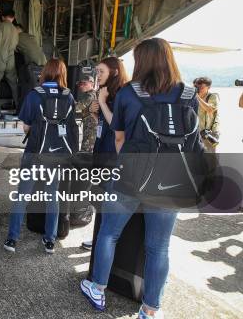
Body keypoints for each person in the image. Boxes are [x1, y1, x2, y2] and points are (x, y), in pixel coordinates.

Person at [81, 38, 196, 319]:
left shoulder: (130, 94)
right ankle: (150, 307)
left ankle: (97, 288)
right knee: (159, 247)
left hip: (129, 178)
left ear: (141, 61)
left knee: (110, 233)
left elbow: (119, 137)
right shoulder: (188, 93)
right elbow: (193, 140)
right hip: (170, 180)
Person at [4, 59, 78, 254]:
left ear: (45, 73)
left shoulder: (35, 95)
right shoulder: (68, 97)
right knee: (52, 195)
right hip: (56, 156)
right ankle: (50, 240)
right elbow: (71, 127)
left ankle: (12, 239)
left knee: (22, 195)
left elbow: (26, 126)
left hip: (34, 154)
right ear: (62, 73)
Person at [81, 57, 128, 251]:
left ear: (115, 72)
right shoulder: (105, 93)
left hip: (112, 158)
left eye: (101, 72)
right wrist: (94, 112)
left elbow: (118, 127)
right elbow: (103, 122)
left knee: (109, 204)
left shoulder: (121, 95)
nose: (97, 75)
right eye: (97, 72)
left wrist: (101, 101)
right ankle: (99, 238)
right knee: (99, 201)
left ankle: (107, 242)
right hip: (100, 153)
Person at [193, 77, 220, 153]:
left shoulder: (213, 96)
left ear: (209, 87)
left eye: (201, 87)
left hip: (210, 132)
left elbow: (210, 109)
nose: (198, 89)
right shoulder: (193, 98)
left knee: (211, 156)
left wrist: (197, 96)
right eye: (197, 87)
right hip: (197, 133)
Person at [74, 74, 98, 153]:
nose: (82, 86)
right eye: (80, 84)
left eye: (85, 83)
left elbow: (77, 107)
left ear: (92, 84)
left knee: (86, 150)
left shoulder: (89, 95)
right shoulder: (93, 94)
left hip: (90, 126)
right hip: (91, 125)